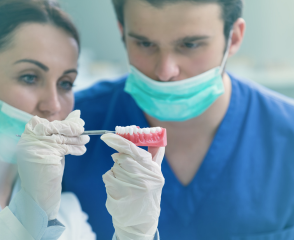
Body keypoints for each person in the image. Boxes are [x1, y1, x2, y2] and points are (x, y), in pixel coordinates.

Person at [0, 0, 164, 239]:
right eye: (29, 77)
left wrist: (134, 233)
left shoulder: (65, 198)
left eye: (65, 83)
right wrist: (30, 211)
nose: (54, 105)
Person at [63, 0, 294, 239]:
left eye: (190, 44)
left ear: (233, 38)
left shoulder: (287, 135)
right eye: (144, 43)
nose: (165, 71)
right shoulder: (71, 129)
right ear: (122, 32)